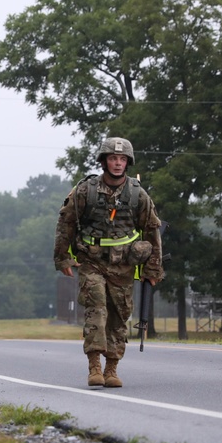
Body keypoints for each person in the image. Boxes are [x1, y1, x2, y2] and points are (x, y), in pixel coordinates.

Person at [53, 137, 164, 388]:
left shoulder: (138, 194)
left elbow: (152, 230)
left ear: (128, 162)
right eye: (113, 158)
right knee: (97, 309)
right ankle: (94, 366)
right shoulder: (85, 190)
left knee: (119, 316)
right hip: (91, 262)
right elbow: (66, 222)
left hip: (124, 265)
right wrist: (62, 258)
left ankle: (111, 369)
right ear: (104, 161)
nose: (117, 163)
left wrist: (152, 269)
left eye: (122, 159)